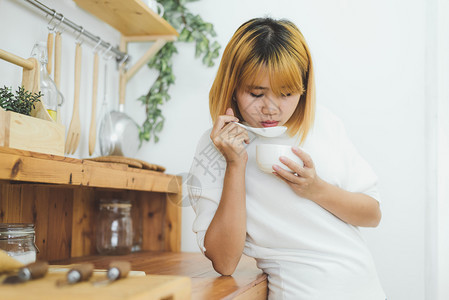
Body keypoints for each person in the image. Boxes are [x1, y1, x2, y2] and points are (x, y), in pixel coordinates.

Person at [187, 17, 386, 300]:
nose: (271, 108)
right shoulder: (215, 147)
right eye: (256, 93)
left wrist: (315, 189)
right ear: (232, 86)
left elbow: (372, 213)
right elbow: (224, 261)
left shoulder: (324, 124)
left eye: (286, 94)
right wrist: (235, 164)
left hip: (365, 288)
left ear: (303, 88)